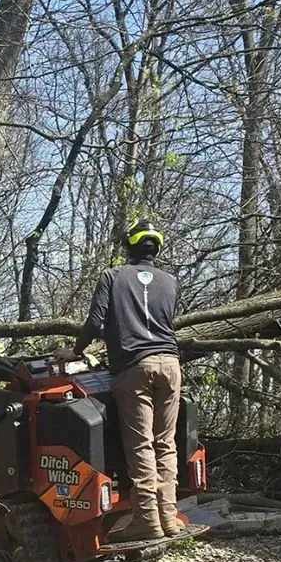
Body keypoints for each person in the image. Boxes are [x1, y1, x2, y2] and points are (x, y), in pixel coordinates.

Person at [68, 218, 185, 542]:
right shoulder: (170, 281)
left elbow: (95, 322)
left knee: (142, 445)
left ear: (128, 245)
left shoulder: (113, 276)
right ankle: (169, 517)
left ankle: (147, 520)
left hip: (134, 368)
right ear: (156, 248)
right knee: (166, 444)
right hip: (171, 364)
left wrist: (76, 351)